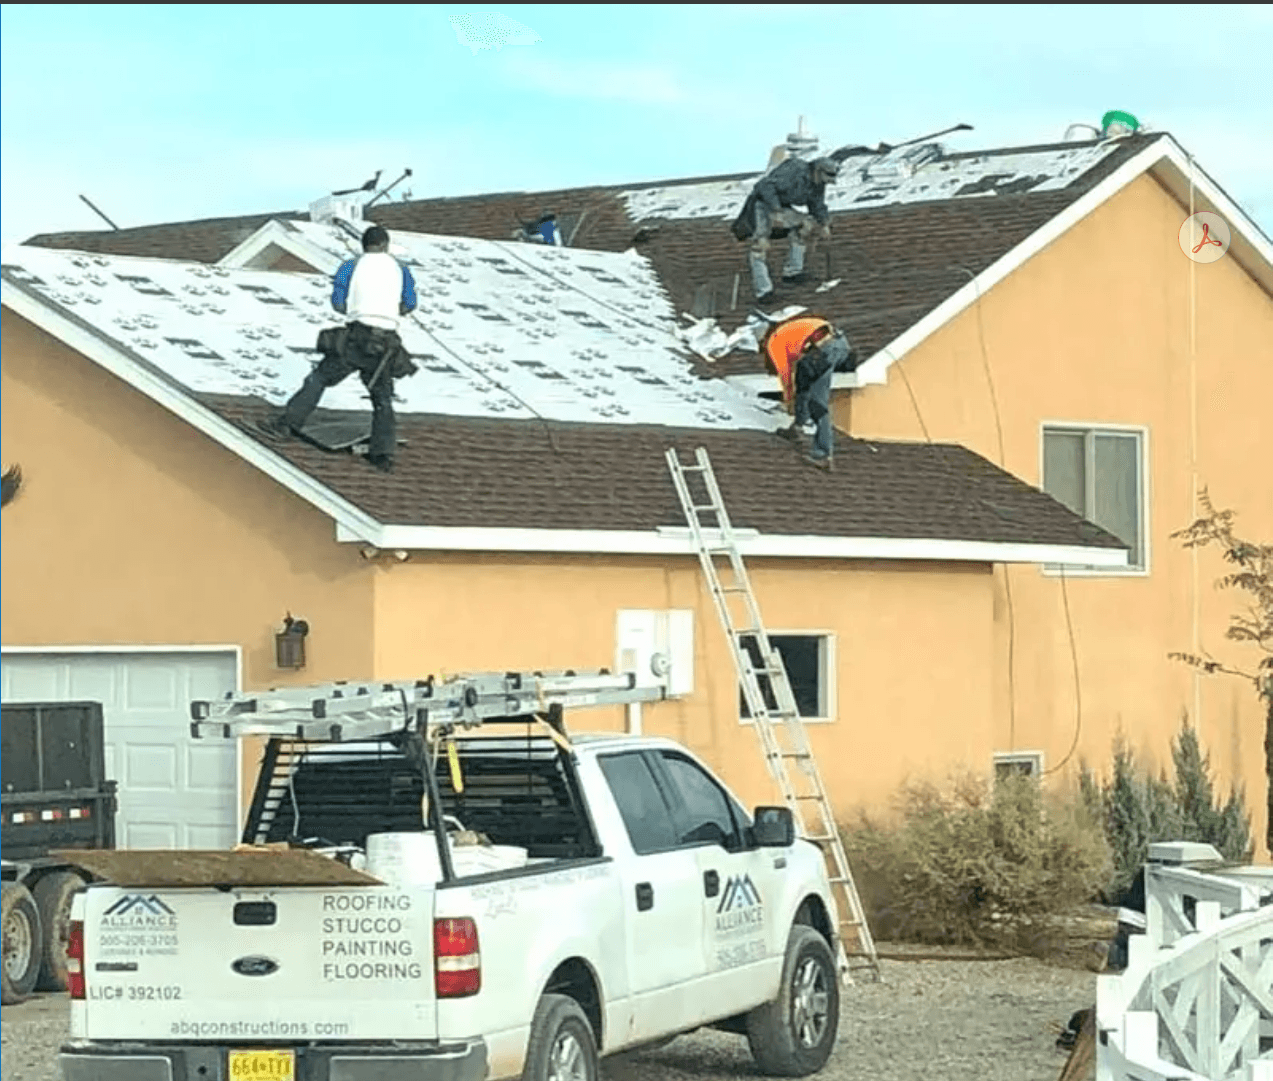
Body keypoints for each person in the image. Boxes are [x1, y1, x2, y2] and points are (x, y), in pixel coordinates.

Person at [264, 225, 418, 472]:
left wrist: (359, 307)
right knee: (382, 398)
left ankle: (287, 424)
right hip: (386, 342)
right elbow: (409, 304)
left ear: (364, 246)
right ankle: (383, 455)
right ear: (385, 246)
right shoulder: (402, 270)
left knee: (320, 378)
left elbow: (338, 303)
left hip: (357, 336)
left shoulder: (350, 266)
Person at [732, 156, 840, 304]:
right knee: (760, 246)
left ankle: (793, 271)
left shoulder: (817, 184)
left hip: (782, 208)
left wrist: (824, 224)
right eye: (826, 178)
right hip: (762, 205)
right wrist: (776, 211)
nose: (825, 183)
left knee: (804, 225)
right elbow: (764, 186)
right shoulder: (795, 169)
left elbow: (817, 204)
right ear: (818, 171)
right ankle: (764, 292)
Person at [763, 315, 858, 470]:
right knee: (805, 379)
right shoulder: (792, 330)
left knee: (817, 403)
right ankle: (798, 427)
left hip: (825, 349)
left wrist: (789, 400)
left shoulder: (775, 342)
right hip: (839, 344)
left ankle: (823, 454)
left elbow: (785, 376)